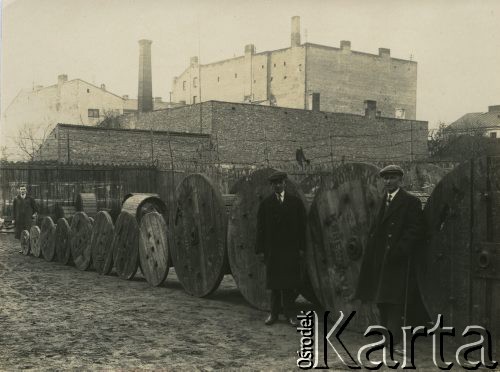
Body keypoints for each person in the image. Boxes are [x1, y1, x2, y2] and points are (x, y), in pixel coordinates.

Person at [355, 165, 423, 351]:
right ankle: (386, 334)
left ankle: (394, 339)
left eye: (392, 178)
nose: (388, 181)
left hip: (397, 259)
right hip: (380, 257)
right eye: (385, 178)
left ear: (400, 180)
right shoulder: (381, 200)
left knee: (394, 299)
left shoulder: (410, 202)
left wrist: (400, 251)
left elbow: (414, 230)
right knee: (381, 297)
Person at [255, 171, 307, 326]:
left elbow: (302, 228)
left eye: (280, 182)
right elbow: (261, 229)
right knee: (274, 285)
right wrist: (260, 250)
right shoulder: (266, 204)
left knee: (289, 285)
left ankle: (290, 315)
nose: (277, 185)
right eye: (274, 183)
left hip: (290, 250)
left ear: (285, 183)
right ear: (272, 185)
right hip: (273, 250)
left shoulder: (295, 203)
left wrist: (302, 248)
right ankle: (274, 314)